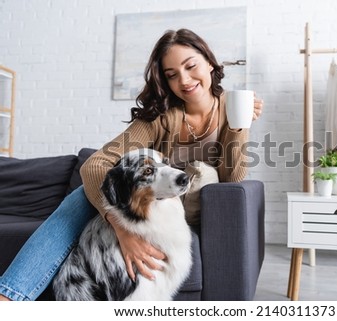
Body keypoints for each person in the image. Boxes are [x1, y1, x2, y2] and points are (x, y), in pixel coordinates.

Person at [0, 28, 263, 301]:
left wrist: (239, 124)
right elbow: (93, 166)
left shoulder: (232, 108)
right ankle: (8, 298)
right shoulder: (159, 117)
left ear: (209, 62)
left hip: (185, 209)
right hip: (145, 210)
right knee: (81, 196)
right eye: (172, 74)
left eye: (191, 66)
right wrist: (121, 228)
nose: (184, 80)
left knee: (83, 197)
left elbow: (232, 178)